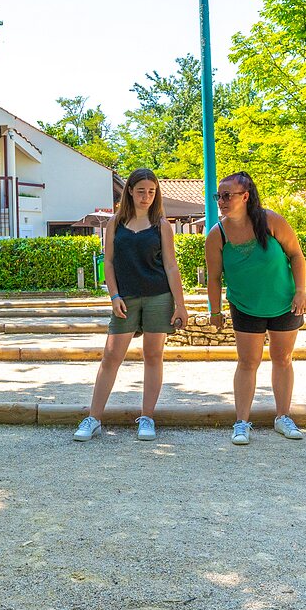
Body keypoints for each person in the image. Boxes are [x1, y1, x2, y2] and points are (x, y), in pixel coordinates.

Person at [74, 169, 188, 443]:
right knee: (111, 356)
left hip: (158, 296)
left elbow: (171, 266)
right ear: (129, 192)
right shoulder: (115, 223)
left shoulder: (162, 225)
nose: (146, 196)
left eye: (151, 191)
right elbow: (109, 263)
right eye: (141, 191)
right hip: (125, 298)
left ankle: (147, 417)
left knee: (153, 356)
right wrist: (114, 296)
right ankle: (94, 418)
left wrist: (181, 305)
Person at [205, 172, 306, 446]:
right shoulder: (217, 234)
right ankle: (241, 422)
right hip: (245, 305)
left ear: (245, 196)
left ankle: (283, 416)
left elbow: (296, 255)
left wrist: (301, 291)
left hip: (284, 302)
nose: (222, 201)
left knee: (282, 358)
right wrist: (215, 311)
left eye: (228, 195)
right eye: (220, 196)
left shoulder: (271, 220)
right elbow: (214, 277)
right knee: (248, 362)